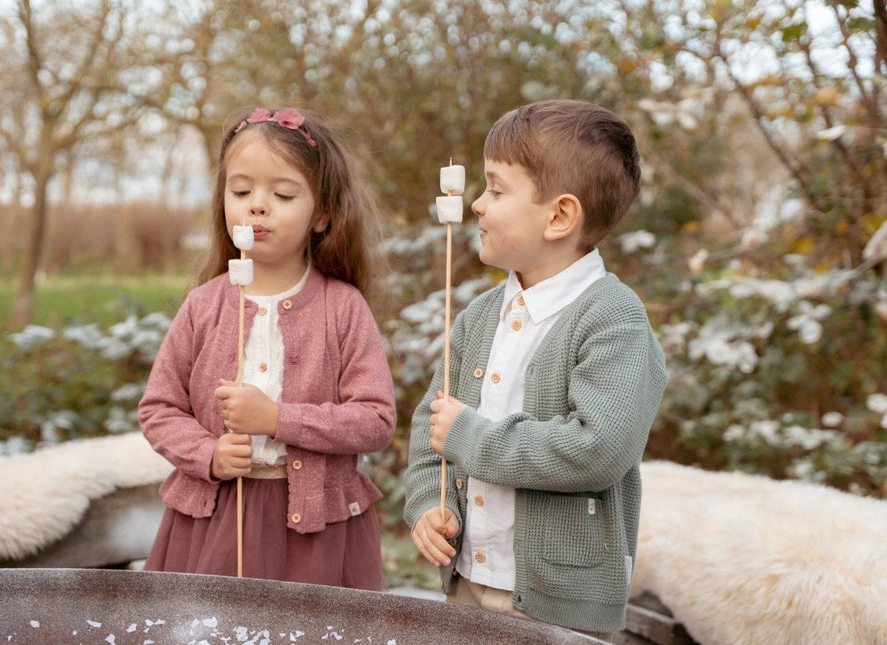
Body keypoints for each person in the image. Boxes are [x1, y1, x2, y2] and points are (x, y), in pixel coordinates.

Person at [404, 99, 668, 638]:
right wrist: (427, 504)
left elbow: (597, 450)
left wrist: (473, 439)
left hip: (557, 603)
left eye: (497, 190)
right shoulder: (479, 317)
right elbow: (432, 427)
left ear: (559, 216)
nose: (478, 204)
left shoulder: (613, 320)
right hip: (468, 580)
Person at [141, 106, 396, 591]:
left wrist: (277, 419)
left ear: (321, 214)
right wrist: (207, 452)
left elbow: (375, 419)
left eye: (281, 194)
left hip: (313, 529)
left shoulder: (343, 307)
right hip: (215, 519)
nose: (257, 205)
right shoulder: (203, 305)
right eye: (240, 192)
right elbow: (159, 408)